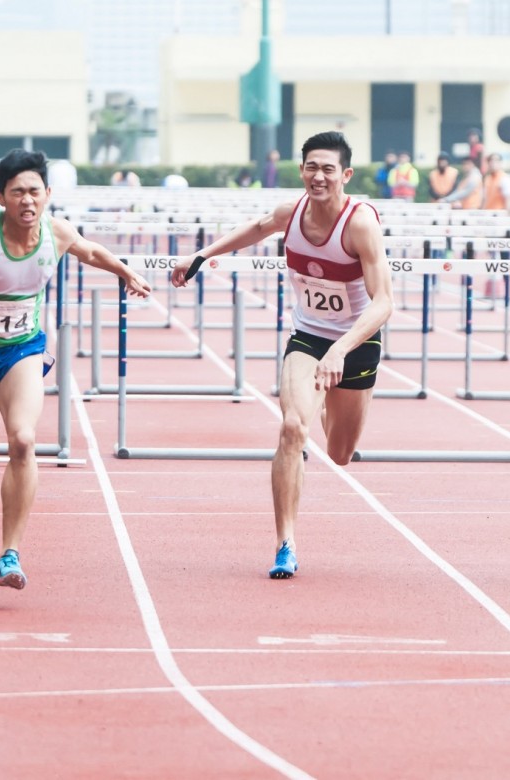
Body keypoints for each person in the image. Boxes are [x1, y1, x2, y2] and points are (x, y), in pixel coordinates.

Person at [171, 131, 394, 579]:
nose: (319, 175)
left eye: (328, 168)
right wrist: (201, 255)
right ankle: (285, 543)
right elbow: (255, 229)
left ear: (345, 175)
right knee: (293, 427)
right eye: (311, 166)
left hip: (356, 342)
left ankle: (331, 404)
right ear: (302, 170)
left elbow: (384, 302)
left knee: (340, 453)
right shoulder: (289, 214)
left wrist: (341, 350)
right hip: (309, 338)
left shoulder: (360, 224)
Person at [0, 149, 151, 590]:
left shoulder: (57, 233)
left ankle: (9, 555)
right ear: (1, 197)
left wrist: (125, 272)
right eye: (17, 193)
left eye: (34, 192)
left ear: (48, 194)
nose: (27, 201)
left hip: (23, 351)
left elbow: (90, 250)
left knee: (24, 440)